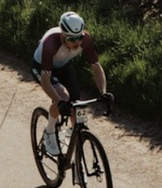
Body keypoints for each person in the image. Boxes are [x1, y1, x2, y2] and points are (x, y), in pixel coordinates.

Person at [31, 11, 112, 156]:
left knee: (77, 105)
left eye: (79, 37)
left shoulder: (85, 39)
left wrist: (103, 92)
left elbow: (96, 67)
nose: (77, 42)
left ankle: (75, 138)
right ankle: (49, 131)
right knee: (62, 96)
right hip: (42, 67)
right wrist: (59, 101)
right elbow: (45, 81)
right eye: (72, 38)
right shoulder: (50, 44)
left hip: (63, 65)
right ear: (63, 36)